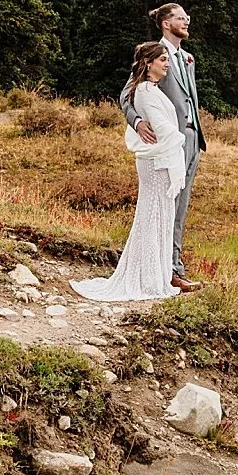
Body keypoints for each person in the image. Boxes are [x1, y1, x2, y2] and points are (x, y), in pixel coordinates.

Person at [72, 42, 185, 302]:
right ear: (148, 63)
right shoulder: (144, 92)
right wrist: (180, 140)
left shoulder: (151, 89)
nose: (167, 64)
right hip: (155, 161)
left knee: (160, 216)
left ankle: (154, 276)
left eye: (167, 59)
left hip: (159, 158)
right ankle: (146, 279)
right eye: (163, 60)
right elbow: (161, 127)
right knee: (152, 216)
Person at [122, 2, 206, 290]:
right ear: (166, 23)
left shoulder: (187, 58)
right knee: (166, 203)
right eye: (181, 18)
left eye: (187, 17)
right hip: (168, 141)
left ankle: (172, 264)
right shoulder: (154, 54)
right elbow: (127, 93)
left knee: (180, 207)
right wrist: (137, 122)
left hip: (193, 140)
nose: (187, 21)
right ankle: (170, 270)